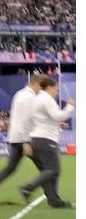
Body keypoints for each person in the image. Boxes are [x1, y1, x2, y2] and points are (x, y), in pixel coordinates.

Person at [0, 74, 44, 205]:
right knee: (47, 169)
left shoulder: (19, 94)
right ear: (37, 84)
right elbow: (26, 120)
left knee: (9, 168)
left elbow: (18, 117)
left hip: (15, 137)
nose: (42, 90)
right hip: (25, 139)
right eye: (42, 87)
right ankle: (36, 192)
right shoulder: (30, 97)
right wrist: (26, 141)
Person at [19, 77, 74, 208]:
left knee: (48, 171)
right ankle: (28, 188)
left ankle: (54, 200)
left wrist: (57, 124)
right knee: (53, 170)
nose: (57, 92)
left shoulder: (38, 99)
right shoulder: (46, 99)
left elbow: (43, 119)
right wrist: (70, 107)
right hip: (46, 139)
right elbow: (57, 115)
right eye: (56, 89)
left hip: (37, 138)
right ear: (49, 87)